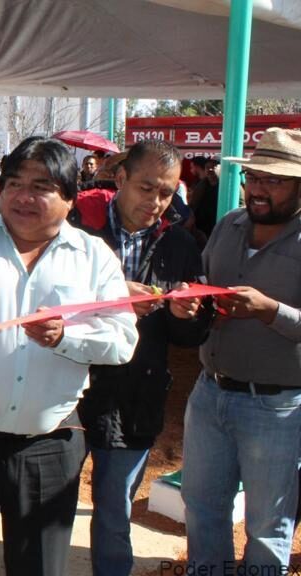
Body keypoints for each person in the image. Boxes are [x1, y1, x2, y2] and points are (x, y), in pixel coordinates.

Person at [0, 136, 138, 576]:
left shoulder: (94, 258)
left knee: (39, 567)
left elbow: (123, 339)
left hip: (49, 445)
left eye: (41, 186)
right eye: (14, 183)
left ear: (70, 198)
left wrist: (66, 336)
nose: (23, 197)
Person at [74, 140, 209, 576]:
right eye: (146, 188)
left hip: (136, 395)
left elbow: (190, 336)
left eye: (167, 192)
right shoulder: (75, 229)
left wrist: (187, 314)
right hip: (68, 388)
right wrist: (113, 298)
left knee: (115, 509)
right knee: (48, 502)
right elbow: (43, 301)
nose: (155, 202)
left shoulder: (181, 244)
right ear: (120, 179)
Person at [181, 127, 301, 574]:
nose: (259, 189)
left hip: (276, 406)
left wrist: (270, 311)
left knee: (268, 524)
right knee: (201, 507)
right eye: (255, 177)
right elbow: (203, 283)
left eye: (275, 180)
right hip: (209, 393)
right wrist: (194, 303)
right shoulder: (229, 225)